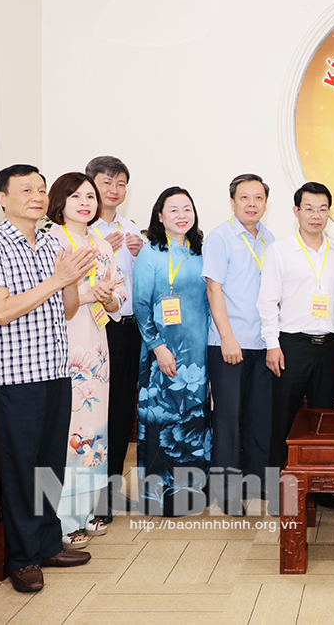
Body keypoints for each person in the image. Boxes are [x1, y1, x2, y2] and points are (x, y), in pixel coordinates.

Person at [0, 164, 96, 593]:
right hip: (17, 378)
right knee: (23, 469)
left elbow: (66, 309)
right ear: (2, 197)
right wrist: (58, 279)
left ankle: (45, 543)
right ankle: (20, 559)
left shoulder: (48, 244)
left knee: (48, 466)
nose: (38, 196)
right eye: (26, 190)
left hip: (55, 370)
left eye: (42, 189)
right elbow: (1, 311)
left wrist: (71, 280)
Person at [257, 182, 334, 511]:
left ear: (329, 212)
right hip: (291, 346)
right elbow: (267, 302)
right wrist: (272, 345)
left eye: (322, 209)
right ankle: (277, 492)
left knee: (323, 420)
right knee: (283, 419)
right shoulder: (279, 251)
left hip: (327, 347)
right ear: (296, 211)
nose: (316, 215)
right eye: (309, 208)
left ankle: (320, 489)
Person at [47, 173, 125, 548]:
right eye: (76, 195)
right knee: (68, 433)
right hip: (65, 347)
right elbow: (57, 307)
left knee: (95, 430)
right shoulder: (51, 242)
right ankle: (62, 519)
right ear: (59, 201)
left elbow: (116, 306)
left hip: (96, 345)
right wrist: (90, 292)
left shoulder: (102, 245)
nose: (85, 202)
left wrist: (107, 296)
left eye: (90, 196)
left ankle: (87, 509)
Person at [134, 187, 211, 516]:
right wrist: (157, 347)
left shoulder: (200, 251)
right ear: (160, 215)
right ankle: (159, 499)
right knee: (160, 424)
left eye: (187, 208)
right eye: (174, 209)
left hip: (197, 352)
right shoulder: (150, 252)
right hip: (161, 352)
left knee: (193, 424)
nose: (182, 215)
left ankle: (192, 496)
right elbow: (140, 305)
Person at [203, 174, 275, 515]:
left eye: (258, 198)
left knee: (259, 417)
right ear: (232, 202)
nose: (251, 204)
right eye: (244, 198)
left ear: (265, 203)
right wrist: (227, 338)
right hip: (229, 344)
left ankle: (257, 483)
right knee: (228, 420)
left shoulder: (269, 239)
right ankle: (227, 493)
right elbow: (213, 290)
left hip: (263, 342)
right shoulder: (220, 238)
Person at [85, 156, 145, 524]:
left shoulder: (131, 228)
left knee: (122, 410)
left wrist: (141, 255)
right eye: (107, 183)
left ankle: (108, 492)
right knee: (92, 412)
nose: (114, 190)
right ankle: (84, 496)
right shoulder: (78, 228)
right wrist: (98, 249)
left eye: (121, 183)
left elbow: (141, 283)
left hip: (127, 329)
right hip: (93, 329)